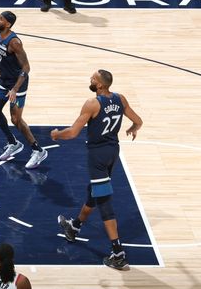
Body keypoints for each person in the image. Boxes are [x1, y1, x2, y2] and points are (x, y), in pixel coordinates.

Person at [52, 69, 143, 271]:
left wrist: (58, 134)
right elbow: (138, 121)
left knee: (103, 201)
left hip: (98, 156)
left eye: (93, 78)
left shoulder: (92, 103)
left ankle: (118, 254)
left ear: (101, 85)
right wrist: (133, 128)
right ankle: (74, 227)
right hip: (112, 152)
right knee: (94, 191)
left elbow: (73, 133)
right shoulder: (120, 99)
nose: (90, 80)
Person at [0, 10, 48, 168]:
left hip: (18, 83)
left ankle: (38, 150)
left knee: (16, 120)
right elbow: (1, 59)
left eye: (1, 19)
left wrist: (15, 89)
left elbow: (26, 67)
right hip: (4, 80)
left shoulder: (14, 42)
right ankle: (13, 143)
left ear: (8, 24)